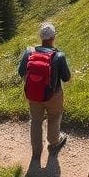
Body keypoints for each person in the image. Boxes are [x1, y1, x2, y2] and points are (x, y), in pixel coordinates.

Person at [18, 21, 71, 156]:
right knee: (54, 117)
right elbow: (66, 78)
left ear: (41, 37)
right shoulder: (59, 56)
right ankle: (53, 143)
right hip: (54, 94)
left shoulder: (29, 52)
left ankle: (36, 151)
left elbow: (21, 72)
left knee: (36, 121)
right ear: (53, 37)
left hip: (33, 94)